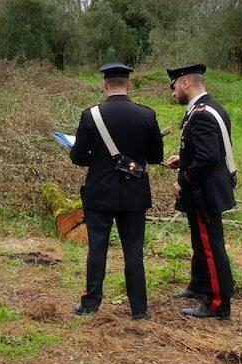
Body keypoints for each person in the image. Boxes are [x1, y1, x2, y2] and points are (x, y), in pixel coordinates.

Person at [70, 62, 164, 320]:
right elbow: (156, 157)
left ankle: (90, 304)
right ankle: (139, 309)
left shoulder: (91, 115)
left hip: (99, 191)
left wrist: (98, 159)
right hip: (134, 192)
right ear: (129, 85)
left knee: (97, 247)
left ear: (105, 85)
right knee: (133, 250)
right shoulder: (147, 115)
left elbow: (77, 157)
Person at [165, 63, 236, 319]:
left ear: (185, 83)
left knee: (210, 245)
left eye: (174, 86)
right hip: (204, 189)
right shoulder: (208, 107)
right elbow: (206, 151)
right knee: (200, 241)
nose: (172, 92)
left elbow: (208, 158)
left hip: (203, 192)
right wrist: (182, 160)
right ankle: (199, 285)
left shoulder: (203, 113)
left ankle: (218, 303)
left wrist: (183, 180)